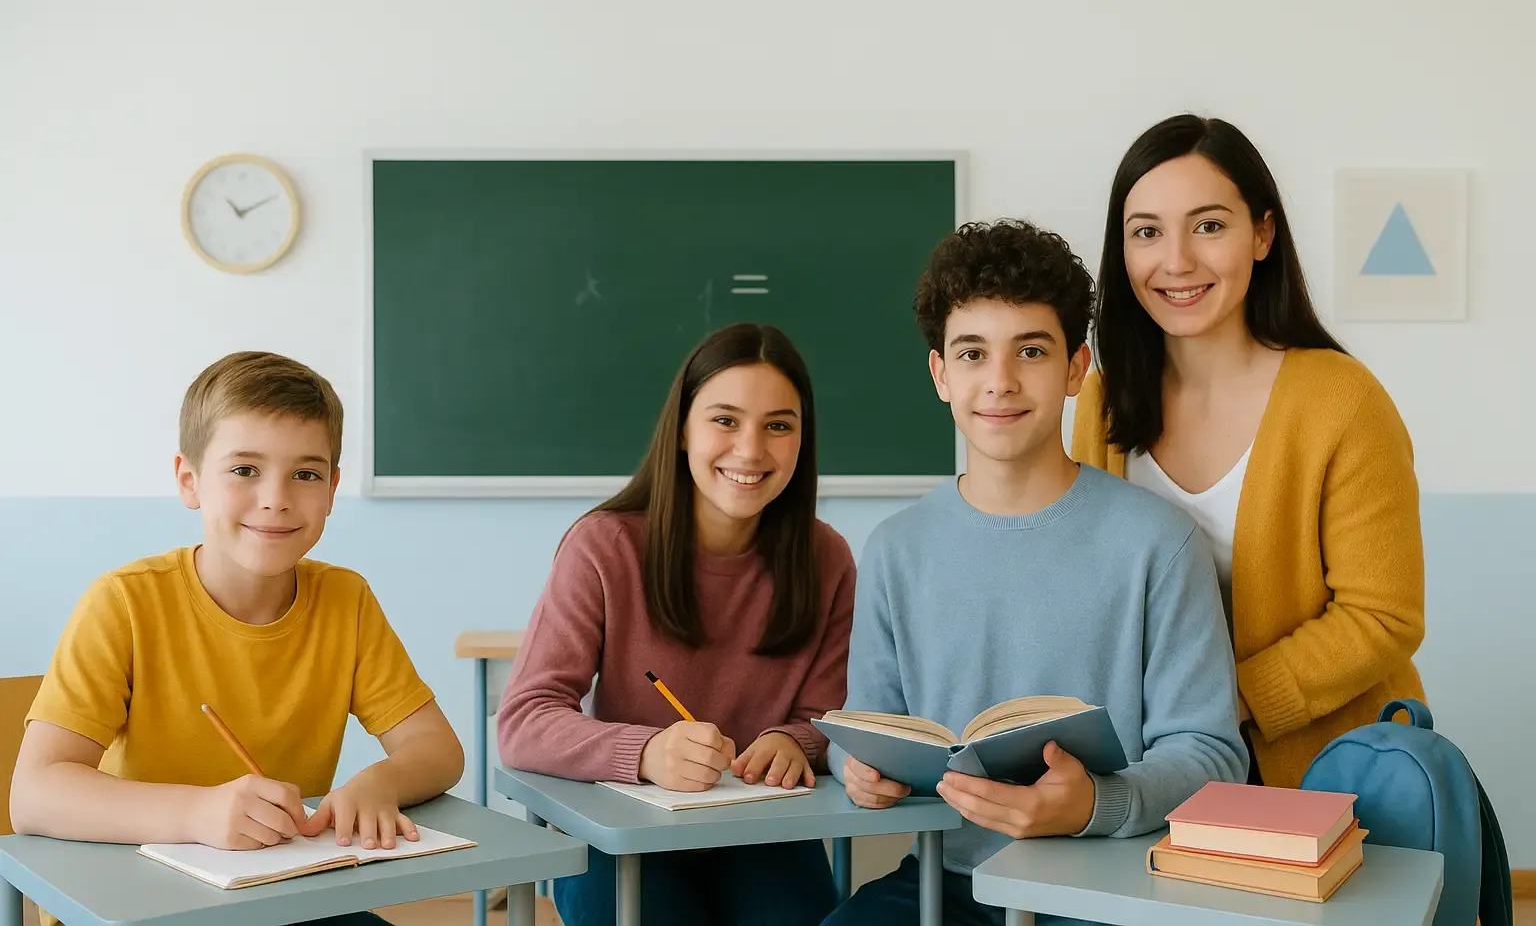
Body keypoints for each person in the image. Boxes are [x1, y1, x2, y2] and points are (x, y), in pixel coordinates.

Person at [824, 221, 1245, 926]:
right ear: (940, 374)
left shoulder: (1159, 542)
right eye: (973, 353)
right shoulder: (897, 548)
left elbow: (1210, 752)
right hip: (944, 883)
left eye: (1030, 350)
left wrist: (1095, 804)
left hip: (1111, 885)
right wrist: (857, 771)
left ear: (1076, 368)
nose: (1000, 382)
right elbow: (871, 724)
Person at [11, 351, 464, 926]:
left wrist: (381, 781)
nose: (276, 497)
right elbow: (34, 796)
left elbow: (438, 749)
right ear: (189, 480)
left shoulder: (345, 601)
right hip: (141, 899)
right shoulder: (124, 602)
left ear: (331, 490)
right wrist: (197, 812)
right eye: (245, 470)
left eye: (305, 473)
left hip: (284, 896)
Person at [1072, 112, 1426, 788]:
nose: (1176, 262)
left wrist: (1220, 701)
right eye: (1146, 232)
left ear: (1262, 234)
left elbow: (1383, 616)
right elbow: (1096, 585)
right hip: (1158, 766)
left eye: (1209, 225)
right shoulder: (1104, 397)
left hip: (1325, 770)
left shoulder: (1342, 400)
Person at [498, 322, 855, 926]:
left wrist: (791, 742)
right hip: (625, 835)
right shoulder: (603, 547)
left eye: (778, 425)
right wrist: (645, 753)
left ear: (802, 441)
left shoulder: (827, 560)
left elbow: (830, 720)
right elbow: (525, 720)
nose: (750, 450)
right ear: (683, 431)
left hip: (760, 834)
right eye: (725, 419)